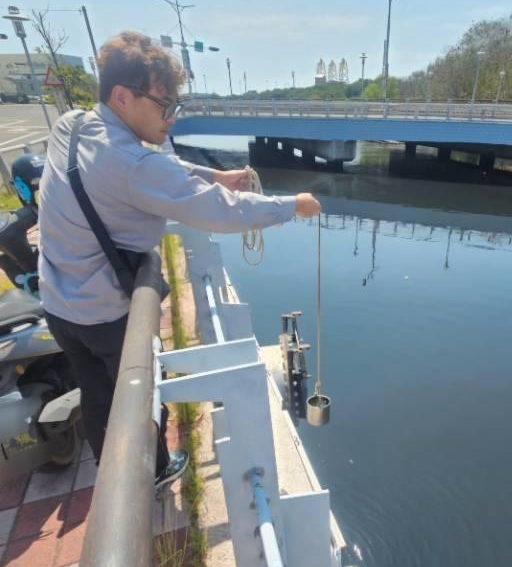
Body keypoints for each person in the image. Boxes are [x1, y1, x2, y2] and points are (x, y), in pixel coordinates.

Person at [37, 31, 321, 490]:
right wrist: (293, 206)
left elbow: (156, 167)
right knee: (141, 395)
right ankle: (150, 476)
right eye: (164, 104)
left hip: (58, 304)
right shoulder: (132, 164)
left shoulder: (73, 124)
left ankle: (107, 470)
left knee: (95, 394)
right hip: (105, 313)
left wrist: (216, 175)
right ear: (123, 97)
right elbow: (217, 211)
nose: (172, 116)